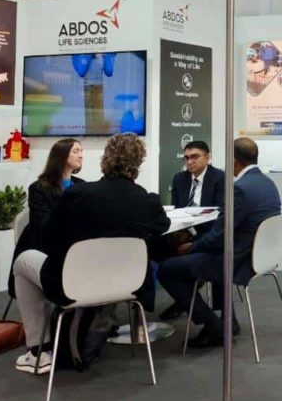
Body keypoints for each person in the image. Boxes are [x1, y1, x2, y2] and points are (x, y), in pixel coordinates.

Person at [11, 133, 170, 374]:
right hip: (128, 285)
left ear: (105, 159)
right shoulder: (149, 202)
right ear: (138, 164)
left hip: (75, 284)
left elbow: (49, 237)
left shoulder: (78, 195)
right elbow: (161, 228)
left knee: (23, 260)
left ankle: (38, 350)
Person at [157, 137, 281, 349]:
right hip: (258, 255)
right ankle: (228, 321)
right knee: (189, 257)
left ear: (234, 160)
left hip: (235, 260)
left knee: (167, 270)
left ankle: (214, 326)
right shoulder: (268, 184)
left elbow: (219, 235)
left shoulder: (238, 189)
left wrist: (192, 247)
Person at [156, 141, 225, 320]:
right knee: (158, 249)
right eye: (186, 158)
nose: (189, 162)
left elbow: (221, 214)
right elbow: (178, 210)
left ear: (207, 157)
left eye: (194, 157)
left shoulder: (220, 178)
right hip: (185, 231)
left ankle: (193, 300)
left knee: (215, 251)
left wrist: (196, 241)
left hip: (209, 232)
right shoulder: (180, 179)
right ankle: (184, 296)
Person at [7, 138, 84, 299]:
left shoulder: (81, 185)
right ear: (61, 156)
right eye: (75, 151)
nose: (81, 155)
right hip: (44, 246)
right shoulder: (39, 188)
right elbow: (42, 224)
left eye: (81, 151)